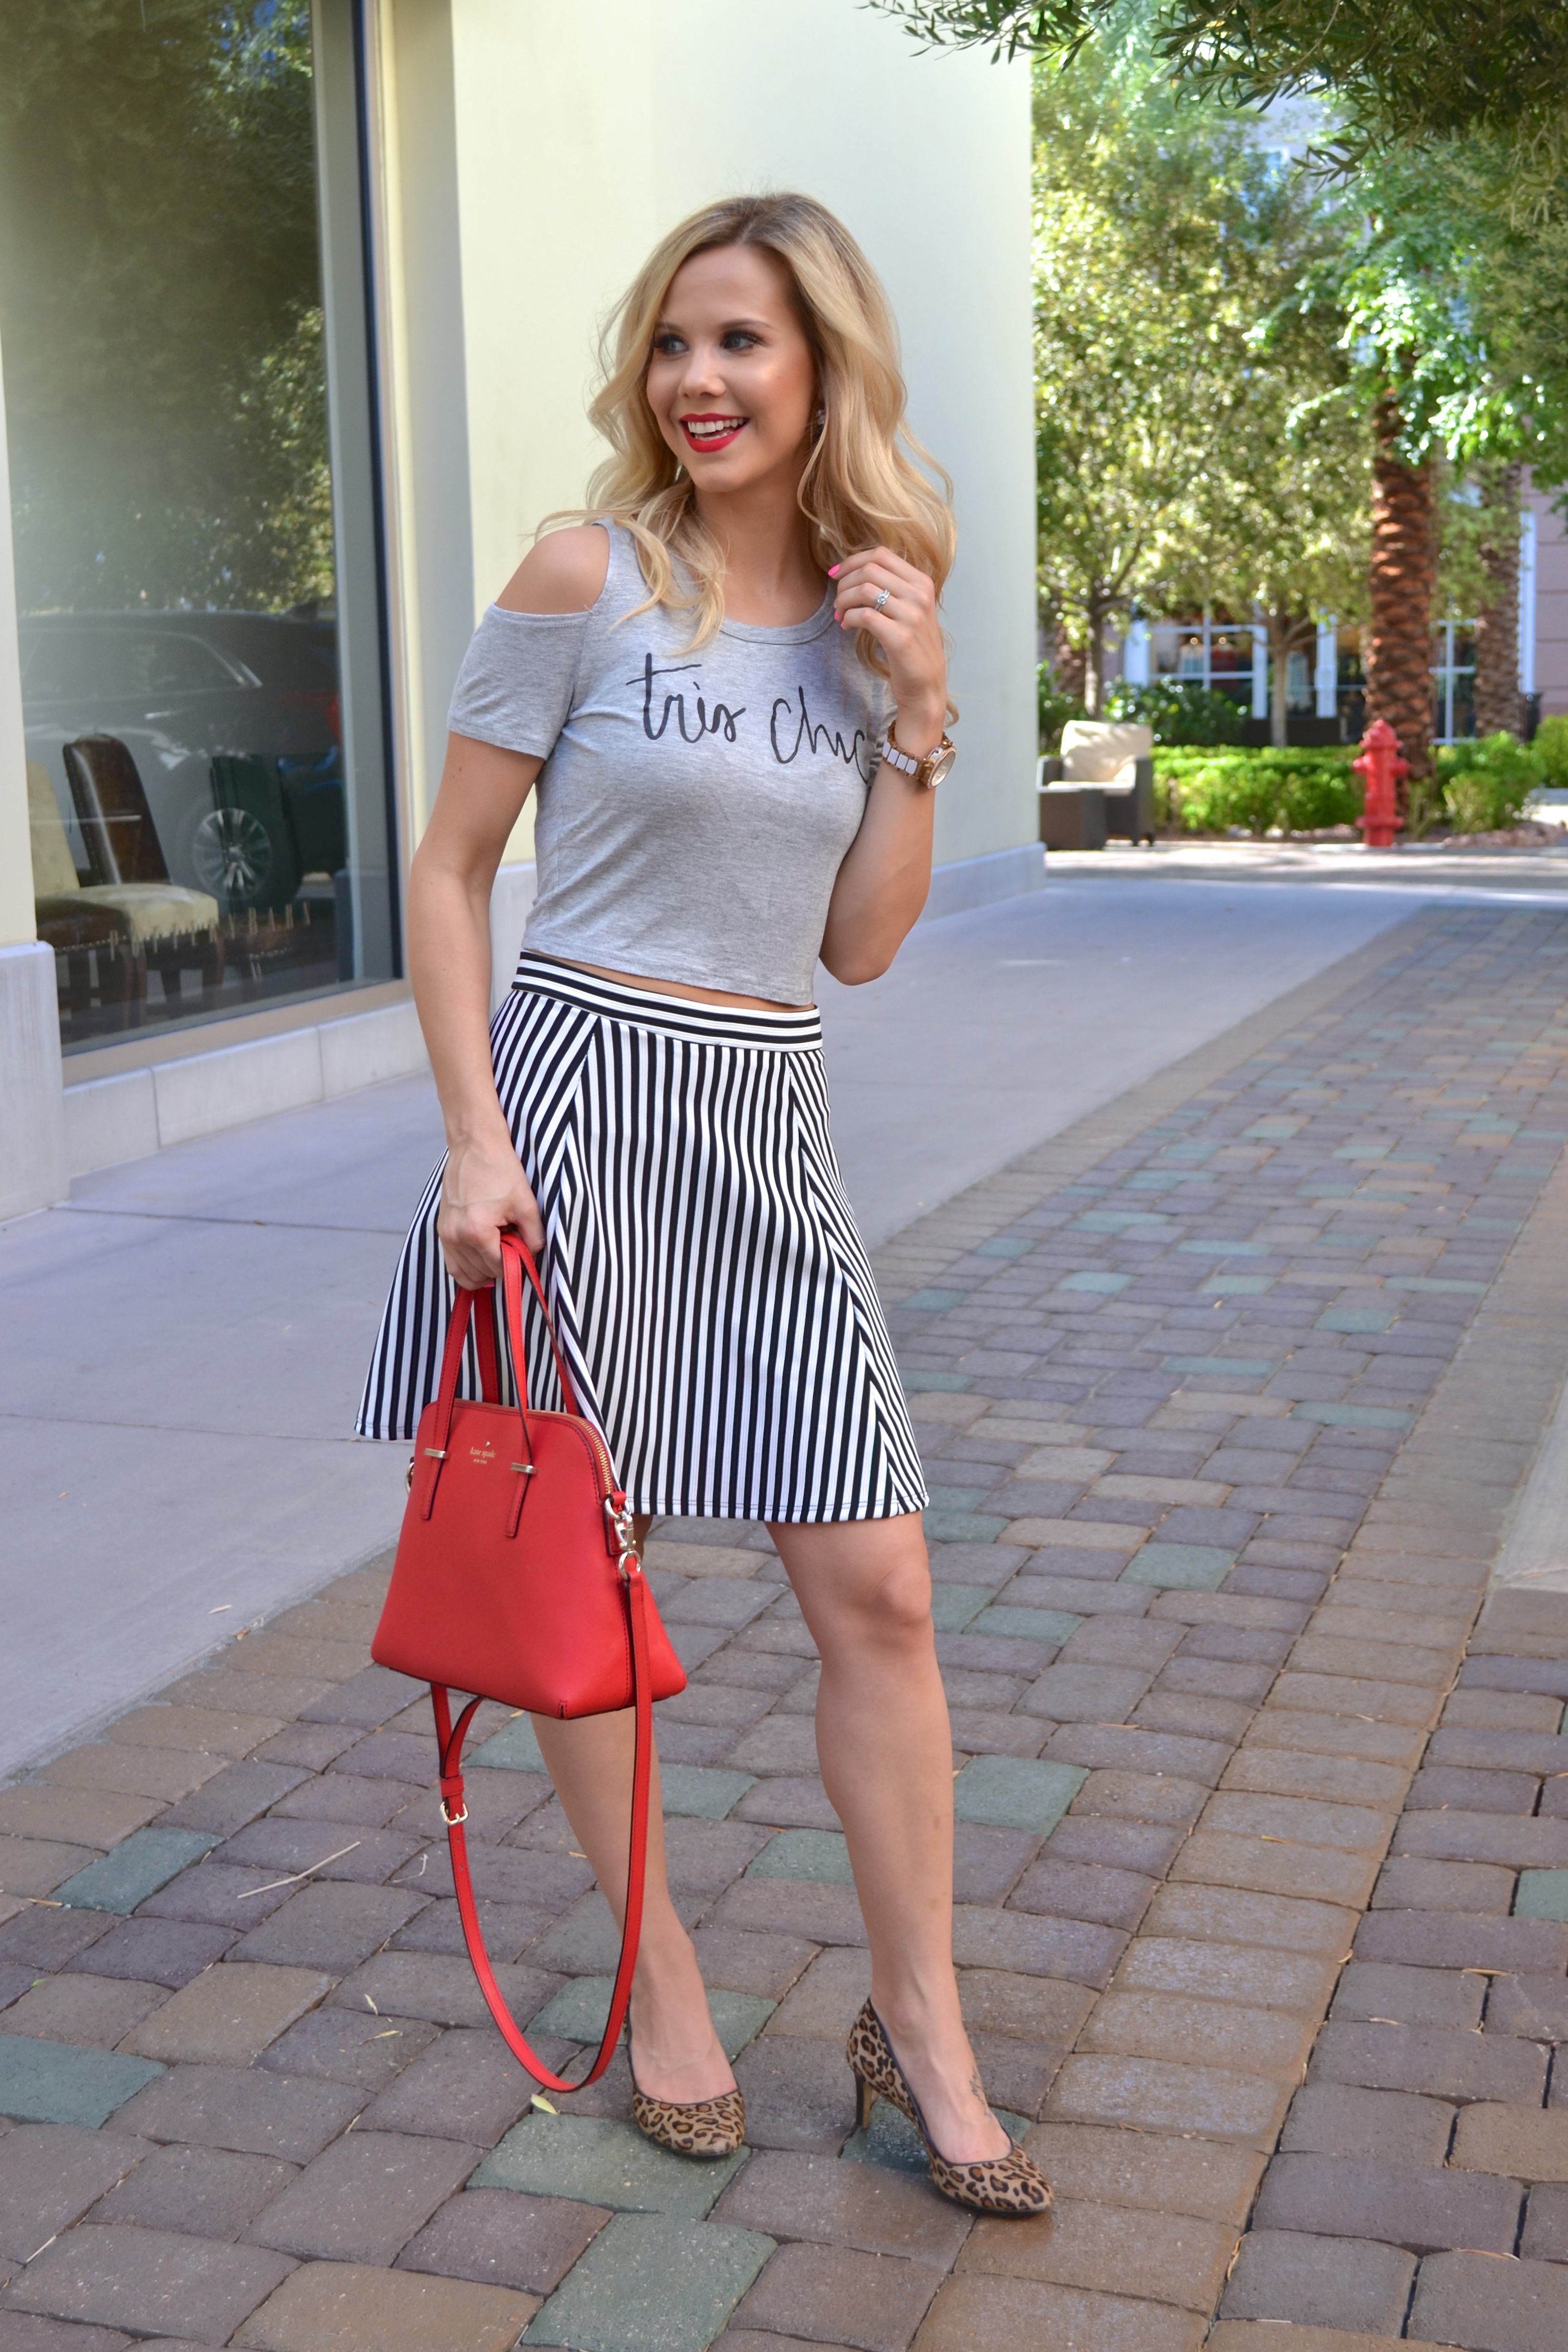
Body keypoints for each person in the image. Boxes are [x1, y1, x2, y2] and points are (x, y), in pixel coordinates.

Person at [359, 191, 1049, 2218]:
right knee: (586, 1579)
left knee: (884, 1589)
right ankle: (662, 1986)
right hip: (574, 1104)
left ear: (826, 364)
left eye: (743, 340)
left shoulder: (872, 610)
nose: (699, 379)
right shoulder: (586, 577)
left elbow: (862, 945)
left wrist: (919, 711)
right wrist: (474, 1139)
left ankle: (920, 2024)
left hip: (768, 1123)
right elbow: (448, 872)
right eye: (675, 341)